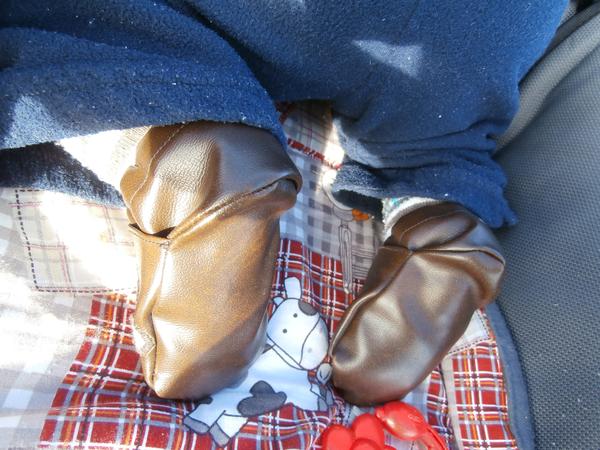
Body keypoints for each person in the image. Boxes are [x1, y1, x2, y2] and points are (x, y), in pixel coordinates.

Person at [0, 0, 567, 404]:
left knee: (80, 27)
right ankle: (438, 209)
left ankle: (188, 142)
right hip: (489, 24)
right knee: (444, 133)